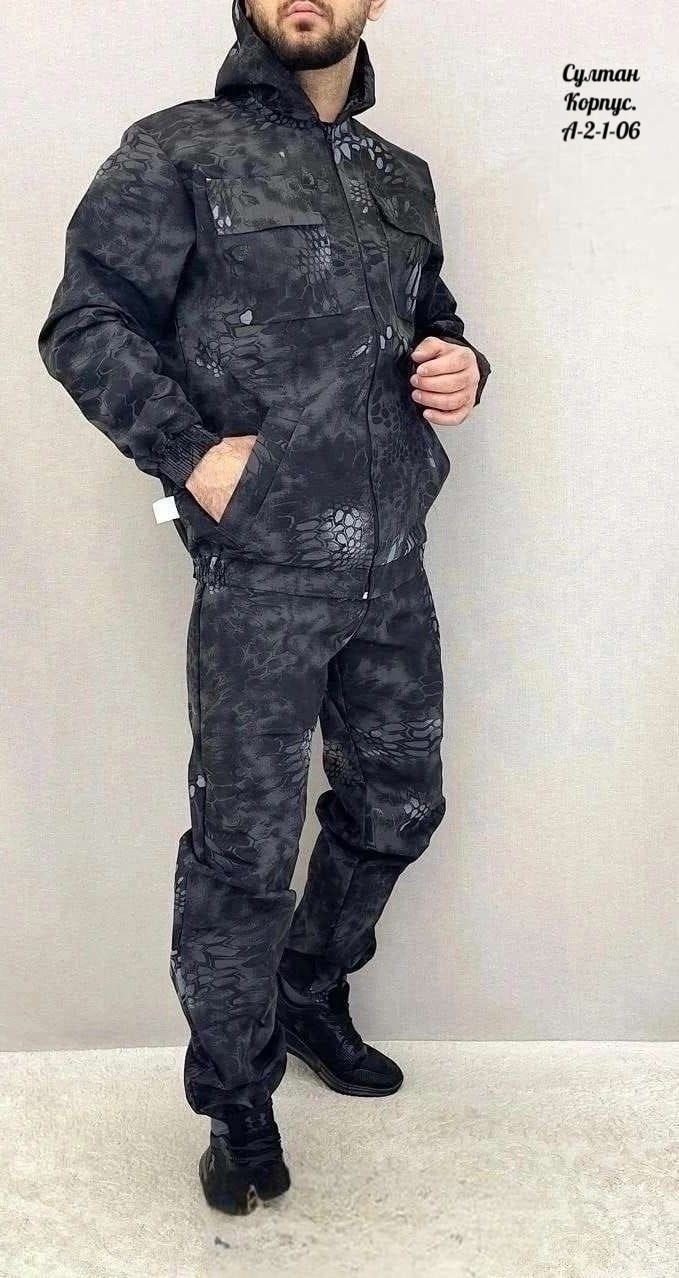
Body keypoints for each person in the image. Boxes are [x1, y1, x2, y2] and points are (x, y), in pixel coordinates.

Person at [37, 0, 491, 1215]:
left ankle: (309, 989)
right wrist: (189, 452)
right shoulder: (178, 147)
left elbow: (427, 319)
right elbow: (84, 322)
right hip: (263, 577)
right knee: (243, 856)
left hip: (391, 562)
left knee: (399, 805)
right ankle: (236, 1102)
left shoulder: (398, 174)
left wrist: (461, 363)